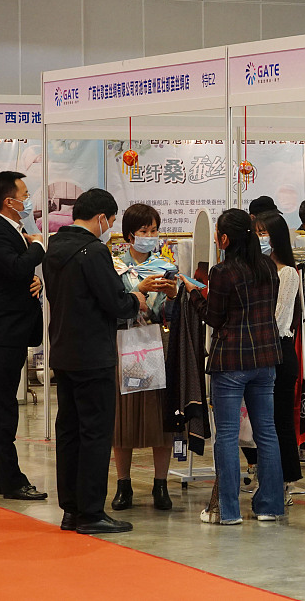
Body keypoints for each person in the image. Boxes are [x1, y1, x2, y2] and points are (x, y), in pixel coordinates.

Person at [44, 188, 147, 535]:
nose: (110, 227)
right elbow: (114, 303)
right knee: (95, 432)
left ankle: (71, 509)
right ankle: (91, 512)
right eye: (112, 221)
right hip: (92, 355)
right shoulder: (93, 251)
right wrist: (136, 298)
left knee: (69, 431)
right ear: (101, 217)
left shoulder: (54, 248)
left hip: (63, 352)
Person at [181, 209, 285, 525]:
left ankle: (228, 511)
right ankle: (270, 506)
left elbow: (214, 317)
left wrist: (193, 293)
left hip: (231, 361)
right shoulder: (268, 267)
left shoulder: (223, 272)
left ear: (224, 239)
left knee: (226, 435)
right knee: (267, 432)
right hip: (266, 359)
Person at [0, 172, 46, 502]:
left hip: (11, 329)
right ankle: (12, 480)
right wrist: (39, 247)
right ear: (10, 201)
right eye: (25, 193)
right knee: (2, 408)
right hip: (2, 332)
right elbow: (17, 268)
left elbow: (17, 277)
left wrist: (36, 283)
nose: (29, 199)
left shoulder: (11, 231)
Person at [110, 204, 179, 513]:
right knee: (122, 417)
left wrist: (172, 296)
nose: (151, 236)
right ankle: (123, 484)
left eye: (154, 230)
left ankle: (160, 484)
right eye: (145, 231)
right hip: (123, 345)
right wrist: (136, 290)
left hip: (155, 345)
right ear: (130, 235)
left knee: (159, 418)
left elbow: (171, 314)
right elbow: (111, 305)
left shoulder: (165, 266)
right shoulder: (114, 266)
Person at [241, 211, 303, 502]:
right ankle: (265, 477)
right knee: (260, 423)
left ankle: (285, 483)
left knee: (278, 421)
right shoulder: (255, 269)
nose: (259, 238)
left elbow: (279, 319)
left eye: (264, 232)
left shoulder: (288, 273)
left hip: (278, 351)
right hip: (257, 351)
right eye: (256, 232)